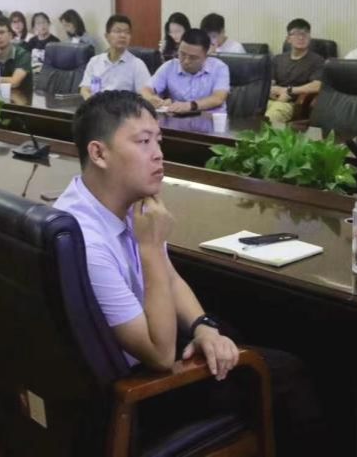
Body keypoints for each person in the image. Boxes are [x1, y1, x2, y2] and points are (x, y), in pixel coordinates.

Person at [55, 91, 322, 451]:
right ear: (98, 153)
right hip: (136, 393)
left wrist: (203, 327)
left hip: (143, 341)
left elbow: (168, 276)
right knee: (287, 373)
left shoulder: (116, 200)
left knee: (231, 329)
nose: (158, 153)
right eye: (143, 142)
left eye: (159, 140)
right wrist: (150, 247)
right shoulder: (85, 239)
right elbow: (159, 354)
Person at [141, 29, 230, 113]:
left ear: (206, 55)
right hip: (178, 120)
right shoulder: (170, 67)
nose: (186, 61)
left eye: (193, 57)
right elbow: (146, 89)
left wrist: (191, 105)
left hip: (212, 120)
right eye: (182, 54)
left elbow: (218, 98)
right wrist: (150, 98)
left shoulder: (219, 68)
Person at [265, 18, 324, 125]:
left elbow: (318, 85)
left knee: (270, 118)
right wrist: (271, 91)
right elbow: (270, 81)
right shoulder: (278, 59)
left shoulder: (317, 61)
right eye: (296, 34)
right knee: (248, 110)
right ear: (288, 39)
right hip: (271, 100)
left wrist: (288, 91)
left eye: (305, 34)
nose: (301, 37)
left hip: (291, 103)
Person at [79, 14, 152, 99]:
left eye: (127, 32)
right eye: (118, 31)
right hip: (97, 104)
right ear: (107, 36)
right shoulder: (95, 62)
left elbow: (146, 93)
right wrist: (91, 101)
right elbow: (85, 88)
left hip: (123, 106)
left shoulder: (137, 65)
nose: (123, 35)